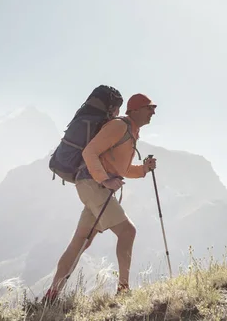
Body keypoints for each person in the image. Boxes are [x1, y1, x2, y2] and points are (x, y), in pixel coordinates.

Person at [43, 93, 158, 302]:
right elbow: (89, 152)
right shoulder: (119, 126)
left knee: (80, 243)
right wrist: (105, 181)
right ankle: (123, 291)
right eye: (149, 107)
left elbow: (120, 168)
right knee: (128, 231)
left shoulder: (131, 133)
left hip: (91, 186)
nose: (153, 112)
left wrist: (143, 169)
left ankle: (51, 295)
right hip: (93, 184)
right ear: (135, 110)